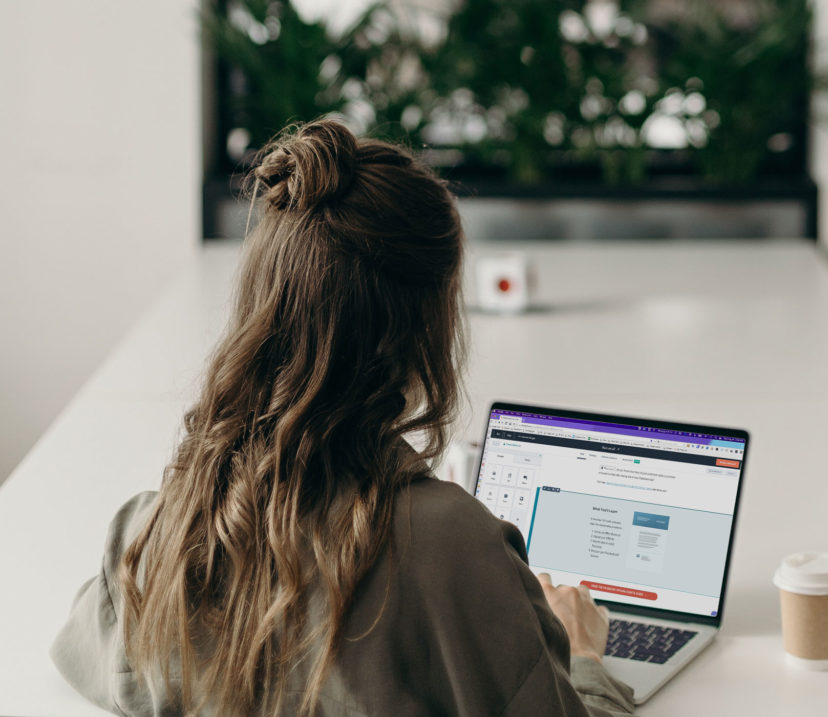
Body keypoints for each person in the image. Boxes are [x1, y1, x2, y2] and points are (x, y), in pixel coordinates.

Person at [51, 118, 635, 717]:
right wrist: (586, 657)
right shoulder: (453, 548)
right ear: (426, 330)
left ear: (260, 308)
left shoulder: (154, 533)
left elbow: (90, 655)